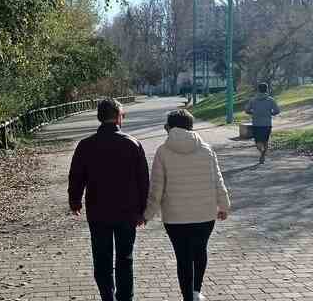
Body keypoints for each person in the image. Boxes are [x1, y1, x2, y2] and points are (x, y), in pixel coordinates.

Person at [144, 109, 231, 301]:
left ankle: (187, 297)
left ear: (170, 127)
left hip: (175, 217)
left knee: (183, 258)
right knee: (200, 252)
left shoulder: (162, 151)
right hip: (204, 215)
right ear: (191, 126)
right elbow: (217, 180)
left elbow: (156, 188)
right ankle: (196, 292)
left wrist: (147, 214)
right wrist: (224, 205)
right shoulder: (206, 149)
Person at [68, 98, 150, 301]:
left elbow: (76, 176)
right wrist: (143, 211)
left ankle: (107, 296)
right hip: (128, 211)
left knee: (102, 258)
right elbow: (143, 181)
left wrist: (75, 201)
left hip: (98, 211)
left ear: (100, 117)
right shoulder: (133, 144)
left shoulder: (86, 145)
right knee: (125, 258)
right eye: (123, 114)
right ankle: (125, 298)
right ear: (118, 117)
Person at [245, 83, 280, 164]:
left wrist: (253, 113)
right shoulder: (271, 100)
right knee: (265, 141)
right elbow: (277, 111)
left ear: (258, 90)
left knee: (258, 142)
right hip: (267, 124)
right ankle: (263, 155)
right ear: (266, 89)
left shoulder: (253, 100)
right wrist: (270, 114)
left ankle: (261, 151)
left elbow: (247, 110)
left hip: (256, 124)